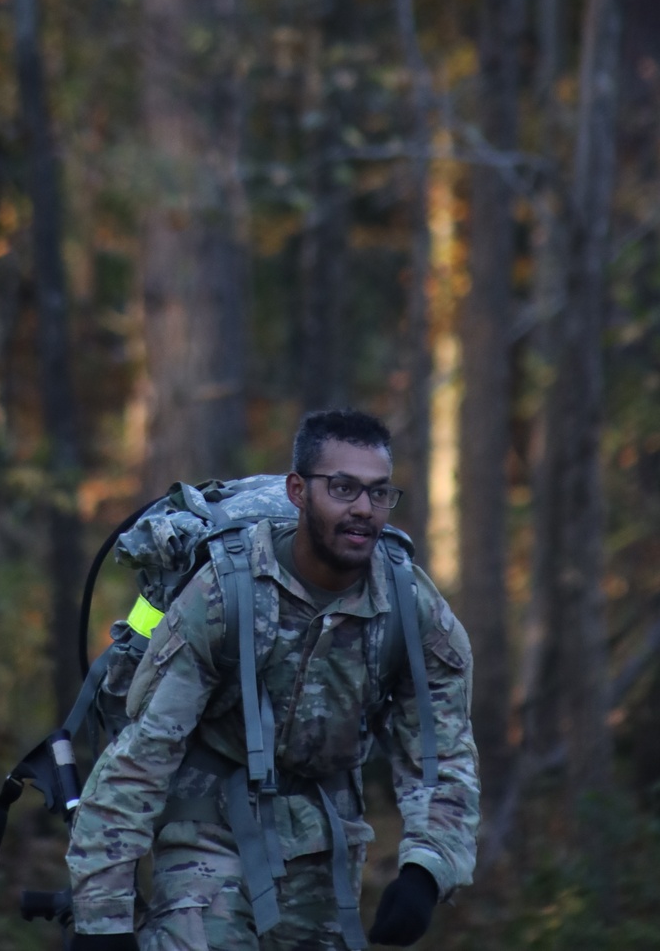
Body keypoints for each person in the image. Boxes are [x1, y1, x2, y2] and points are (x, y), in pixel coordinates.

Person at [66, 408, 480, 951]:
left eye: (379, 493)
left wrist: (428, 867)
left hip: (325, 839)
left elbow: (442, 755)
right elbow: (140, 759)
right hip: (206, 827)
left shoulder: (409, 607)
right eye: (342, 488)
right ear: (298, 491)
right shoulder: (225, 595)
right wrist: (103, 921)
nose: (363, 509)